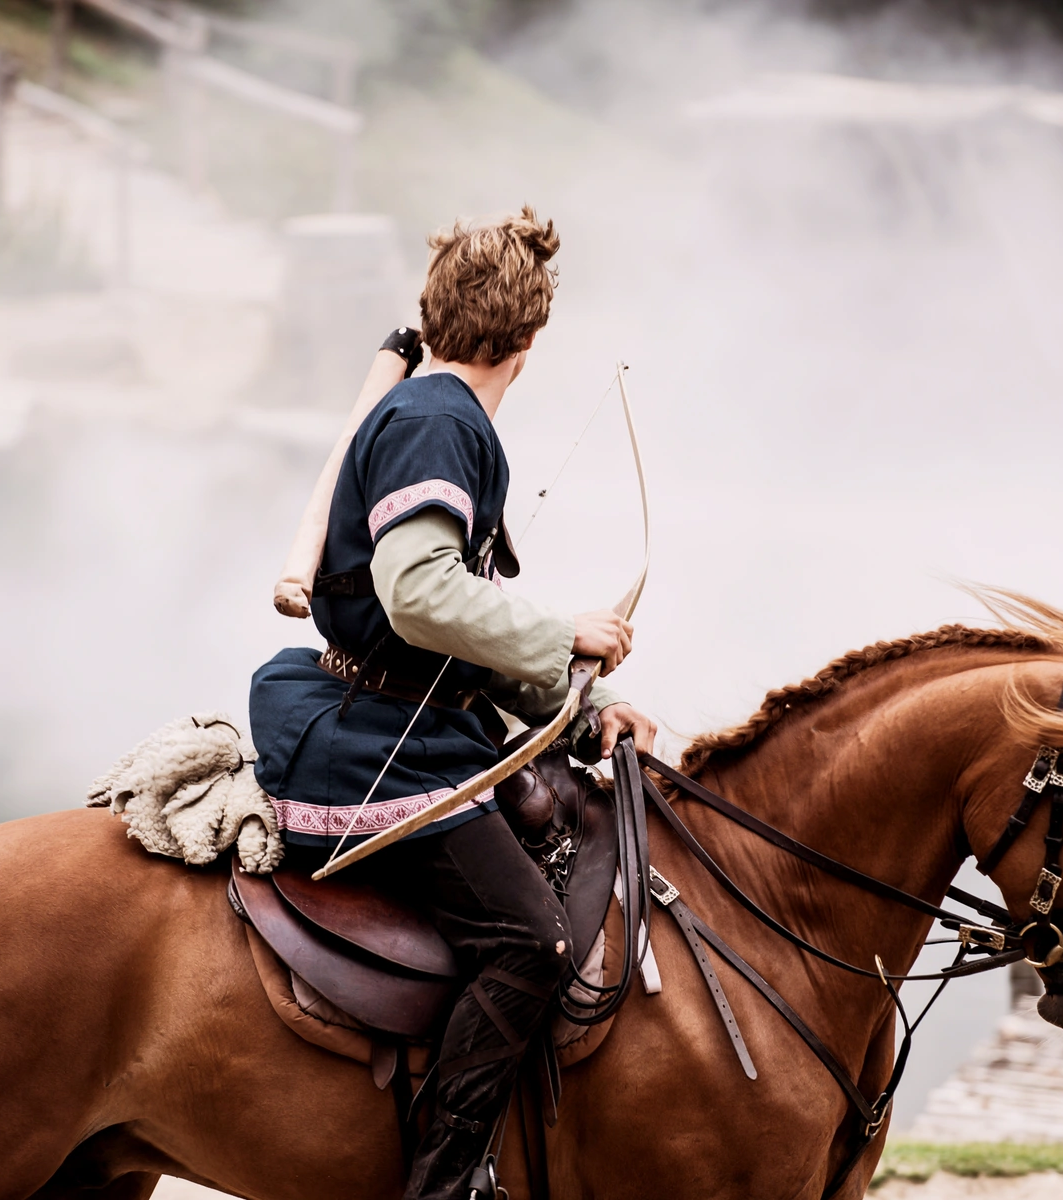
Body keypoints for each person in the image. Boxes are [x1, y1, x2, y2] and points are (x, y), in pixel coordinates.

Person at [249, 206, 656, 1200]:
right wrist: (566, 631)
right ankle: (442, 1188)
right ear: (529, 338)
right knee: (531, 944)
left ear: (438, 316)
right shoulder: (436, 421)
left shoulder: (435, 411)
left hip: (410, 718)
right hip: (373, 743)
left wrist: (575, 701)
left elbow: (450, 634)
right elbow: (423, 593)